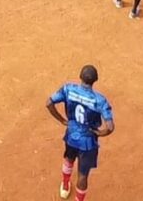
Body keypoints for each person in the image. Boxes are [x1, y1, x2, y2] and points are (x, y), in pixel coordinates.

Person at [47, 65, 114, 201]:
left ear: (80, 77)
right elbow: (110, 127)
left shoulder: (68, 89)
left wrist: (62, 121)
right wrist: (99, 133)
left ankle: (65, 186)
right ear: (95, 80)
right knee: (83, 175)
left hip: (71, 135)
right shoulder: (100, 100)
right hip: (88, 142)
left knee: (68, 159)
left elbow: (49, 102)